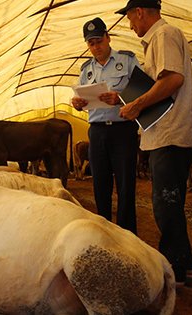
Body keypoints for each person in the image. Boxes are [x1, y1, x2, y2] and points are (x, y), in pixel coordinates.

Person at [116, 0, 192, 285]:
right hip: (168, 134)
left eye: (129, 18)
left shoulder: (163, 35)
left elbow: (172, 79)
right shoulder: (158, 40)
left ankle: (173, 269)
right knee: (172, 203)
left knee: (165, 204)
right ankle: (184, 264)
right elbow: (159, 81)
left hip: (169, 134)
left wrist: (136, 105)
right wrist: (124, 99)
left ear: (139, 11)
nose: (129, 25)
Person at [71, 17, 140, 235]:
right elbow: (81, 98)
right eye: (91, 43)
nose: (96, 47)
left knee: (125, 186)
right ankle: (105, 235)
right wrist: (77, 104)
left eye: (99, 41)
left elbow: (143, 91)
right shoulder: (86, 69)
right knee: (100, 185)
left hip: (123, 131)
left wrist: (120, 98)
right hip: (98, 132)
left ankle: (128, 236)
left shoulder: (127, 60)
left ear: (108, 38)